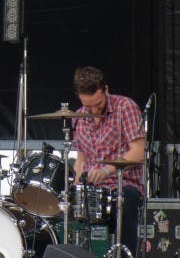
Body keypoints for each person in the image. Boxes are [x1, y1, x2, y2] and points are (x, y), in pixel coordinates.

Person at [71, 65, 146, 257]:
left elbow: (139, 152)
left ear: (106, 90)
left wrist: (107, 170)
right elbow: (81, 159)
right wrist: (76, 184)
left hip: (123, 185)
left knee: (125, 201)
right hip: (92, 190)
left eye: (98, 104)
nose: (94, 110)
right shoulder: (77, 117)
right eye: (89, 107)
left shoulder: (125, 107)